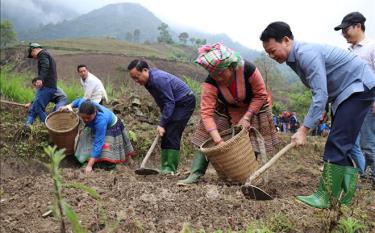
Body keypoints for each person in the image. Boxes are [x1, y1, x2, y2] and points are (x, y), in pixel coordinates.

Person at [260, 21, 375, 209]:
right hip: (346, 93)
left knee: (337, 143)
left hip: (358, 87)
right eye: (268, 53)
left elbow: (319, 94)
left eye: (273, 51)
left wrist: (304, 130)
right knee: (342, 143)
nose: (271, 56)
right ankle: (345, 197)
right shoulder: (294, 59)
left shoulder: (306, 54)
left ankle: (325, 196)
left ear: (286, 40)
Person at [177, 42, 279, 185]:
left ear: (230, 67)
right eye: (214, 75)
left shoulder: (248, 70)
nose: (218, 78)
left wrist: (247, 117)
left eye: (220, 73)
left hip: (254, 105)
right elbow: (206, 114)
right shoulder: (210, 83)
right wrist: (218, 140)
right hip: (227, 106)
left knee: (248, 140)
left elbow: (261, 95)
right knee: (207, 133)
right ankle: (196, 173)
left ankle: (246, 175)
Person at [127, 60, 196, 174]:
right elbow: (162, 101)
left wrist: (162, 123)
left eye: (137, 77)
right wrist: (163, 122)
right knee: (165, 133)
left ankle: (170, 168)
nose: (136, 81)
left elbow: (169, 102)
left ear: (145, 70)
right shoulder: (147, 81)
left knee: (172, 132)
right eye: (134, 78)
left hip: (184, 101)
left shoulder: (158, 79)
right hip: (175, 103)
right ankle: (165, 166)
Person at [335, 11, 375, 187]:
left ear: (358, 26)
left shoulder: (372, 47)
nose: (344, 33)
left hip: (368, 103)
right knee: (352, 143)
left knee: (369, 143)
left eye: (346, 29)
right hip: (351, 104)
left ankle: (373, 179)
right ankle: (362, 176)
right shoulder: (349, 51)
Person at [60, 98, 135, 174]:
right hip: (94, 125)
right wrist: (68, 106)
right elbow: (79, 100)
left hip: (111, 127)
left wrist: (89, 166)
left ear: (94, 113)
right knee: (84, 139)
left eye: (88, 117)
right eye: (83, 117)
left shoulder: (101, 121)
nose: (85, 120)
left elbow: (98, 143)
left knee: (105, 148)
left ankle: (109, 162)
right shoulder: (83, 105)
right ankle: (85, 159)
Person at [24, 43, 58, 128]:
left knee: (38, 108)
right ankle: (27, 126)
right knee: (34, 107)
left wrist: (40, 78)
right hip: (45, 87)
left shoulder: (42, 54)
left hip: (48, 86)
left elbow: (45, 66)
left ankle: (51, 128)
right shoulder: (46, 55)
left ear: (34, 50)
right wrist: (31, 102)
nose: (34, 58)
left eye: (32, 55)